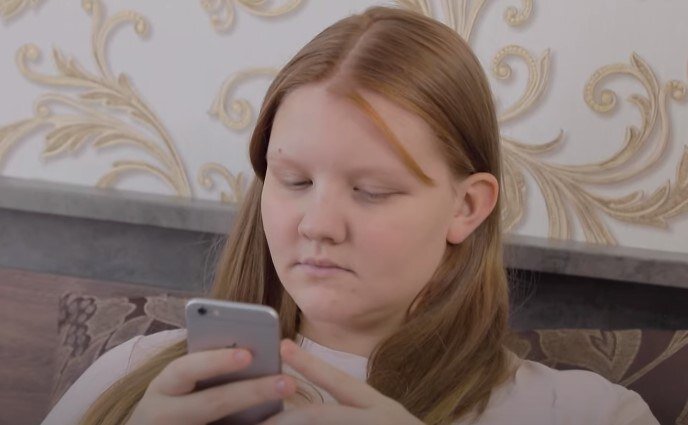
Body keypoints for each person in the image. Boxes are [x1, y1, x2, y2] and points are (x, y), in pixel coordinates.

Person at [42, 6, 658, 425]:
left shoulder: (588, 414)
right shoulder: (128, 376)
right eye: (295, 181)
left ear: (467, 207)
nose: (317, 225)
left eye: (371, 190)